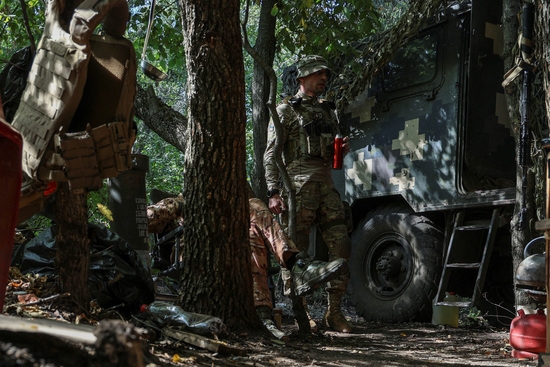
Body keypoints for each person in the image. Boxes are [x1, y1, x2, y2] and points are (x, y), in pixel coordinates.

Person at [146, 184, 348, 340]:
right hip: (193, 253)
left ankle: (296, 268)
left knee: (254, 214)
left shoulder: (232, 206)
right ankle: (293, 272)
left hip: (230, 251)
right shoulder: (180, 202)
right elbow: (148, 218)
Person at [263, 55, 353, 333]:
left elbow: (328, 149)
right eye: (317, 73)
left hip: (327, 188)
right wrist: (274, 191)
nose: (323, 78)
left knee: (341, 247)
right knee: (295, 255)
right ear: (302, 78)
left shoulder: (329, 111)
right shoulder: (286, 110)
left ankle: (334, 313)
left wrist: (339, 151)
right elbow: (270, 154)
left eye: (325, 74)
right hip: (297, 191)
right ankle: (302, 315)